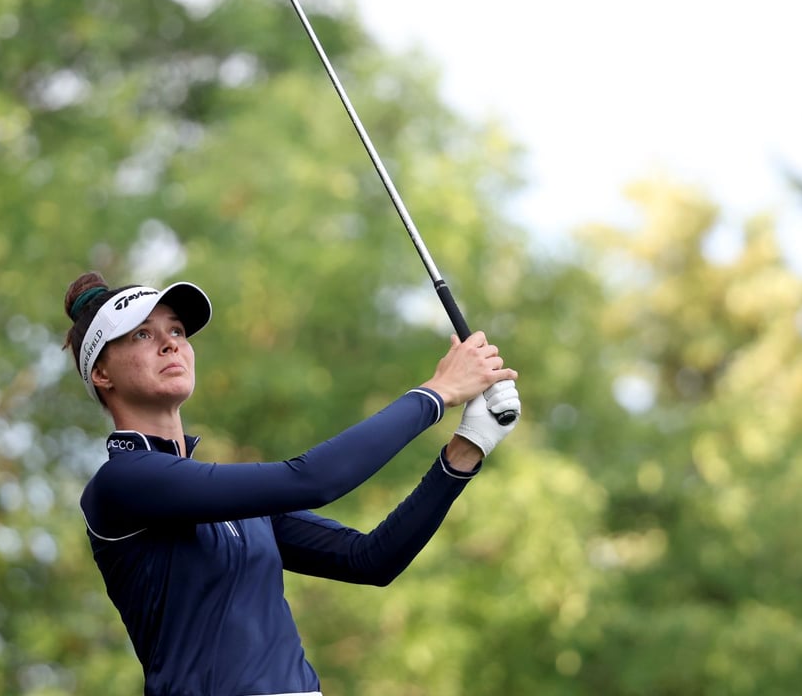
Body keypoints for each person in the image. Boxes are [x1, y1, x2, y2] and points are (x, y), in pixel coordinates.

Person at [63, 271, 521, 696]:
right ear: (102, 374)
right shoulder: (123, 482)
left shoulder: (224, 495)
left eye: (177, 331)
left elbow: (370, 560)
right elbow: (313, 479)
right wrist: (438, 393)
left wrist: (468, 446)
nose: (170, 345)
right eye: (143, 334)